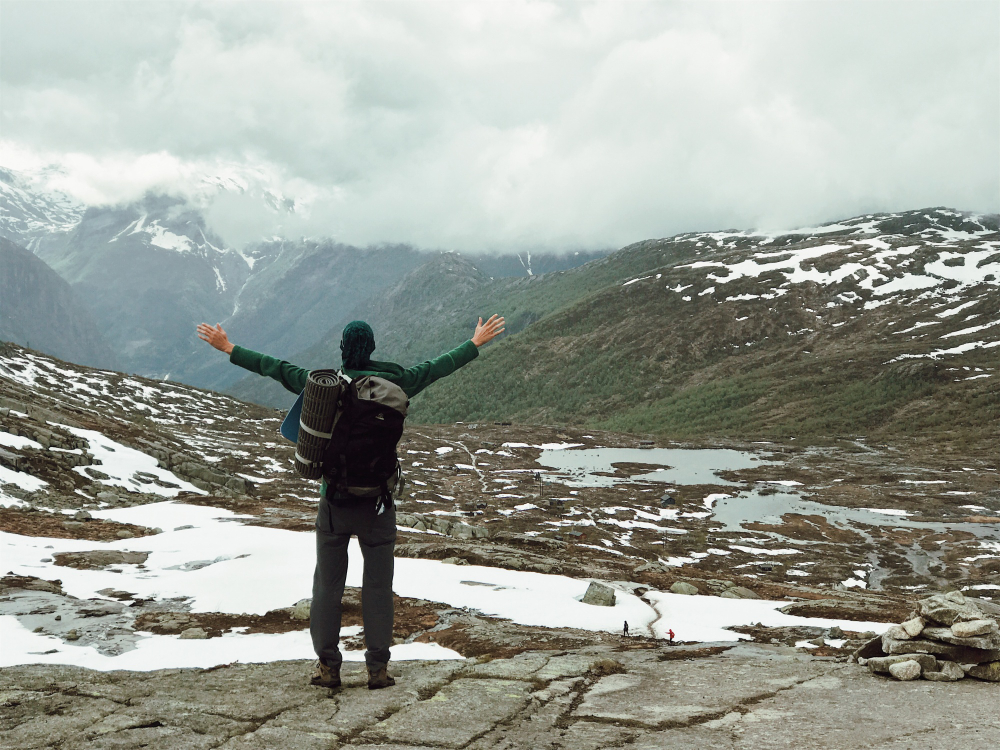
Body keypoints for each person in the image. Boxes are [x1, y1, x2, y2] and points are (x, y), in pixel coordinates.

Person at [196, 315, 505, 689]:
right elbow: (437, 368)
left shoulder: (324, 385)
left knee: (328, 586)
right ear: (371, 349)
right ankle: (377, 670)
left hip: (334, 504)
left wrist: (228, 347)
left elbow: (276, 368)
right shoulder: (396, 383)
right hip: (378, 505)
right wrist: (474, 343)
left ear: (343, 350)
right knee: (378, 588)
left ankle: (329, 669)